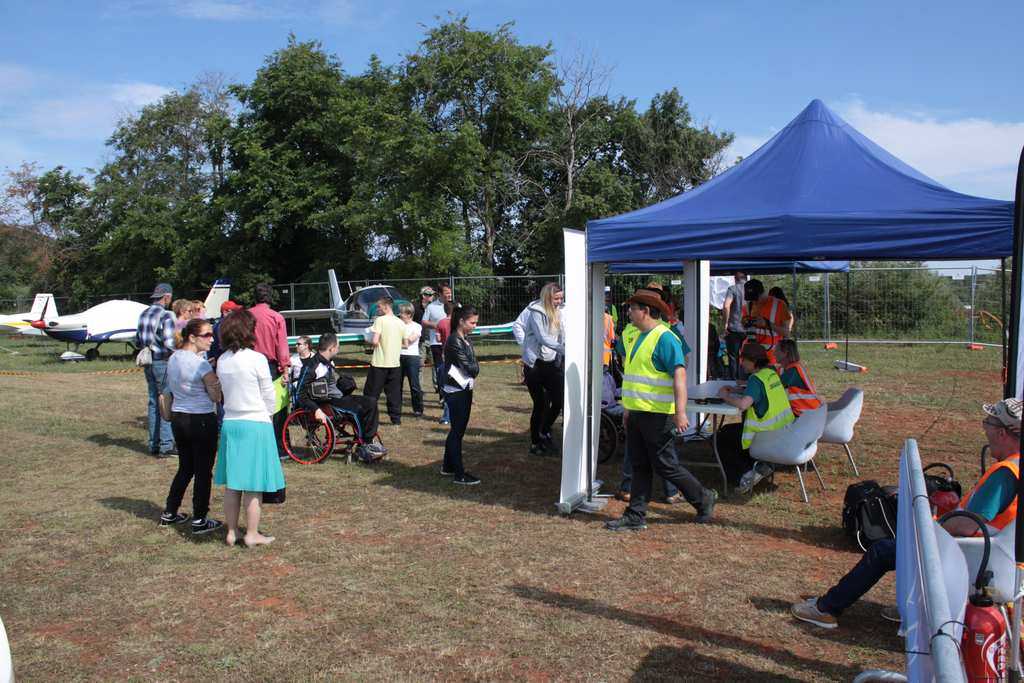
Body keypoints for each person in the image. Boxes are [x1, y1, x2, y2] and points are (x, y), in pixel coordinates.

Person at [791, 398, 1023, 629]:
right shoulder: (1016, 465)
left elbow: (968, 525)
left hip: (967, 553)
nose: (985, 430)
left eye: (988, 423)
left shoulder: (1005, 474)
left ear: (1002, 433)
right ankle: (913, 608)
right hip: (987, 554)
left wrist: (927, 528)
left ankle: (826, 609)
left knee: (882, 551)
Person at [605, 288, 717, 531]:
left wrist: (681, 412)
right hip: (638, 413)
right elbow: (635, 377)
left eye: (632, 309)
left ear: (645, 311)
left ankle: (703, 498)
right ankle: (635, 515)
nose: (628, 313)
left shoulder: (665, 338)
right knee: (640, 465)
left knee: (665, 465)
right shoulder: (638, 336)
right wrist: (628, 409)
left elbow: (679, 376)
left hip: (658, 415)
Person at [214, 309, 286, 547]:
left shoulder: (222, 360)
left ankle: (232, 531)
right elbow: (268, 394)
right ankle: (252, 533)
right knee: (254, 485)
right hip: (255, 423)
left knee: (233, 484)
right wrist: (268, 415)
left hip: (231, 422)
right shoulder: (257, 359)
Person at [159, 318, 224, 534]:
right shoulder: (201, 365)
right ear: (193, 337)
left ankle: (170, 512)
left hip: (179, 418)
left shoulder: (174, 358)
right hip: (201, 419)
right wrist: (213, 376)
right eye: (207, 335)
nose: (211, 339)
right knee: (203, 471)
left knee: (186, 467)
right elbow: (215, 396)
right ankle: (200, 518)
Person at [716, 343, 796, 492]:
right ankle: (758, 466)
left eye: (744, 360)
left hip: (765, 434)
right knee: (729, 432)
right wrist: (739, 390)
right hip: (782, 430)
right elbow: (763, 392)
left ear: (753, 361)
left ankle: (743, 476)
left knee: (721, 437)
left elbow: (743, 405)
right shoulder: (771, 373)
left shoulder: (755, 379)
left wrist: (725, 396)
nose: (741, 363)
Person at [300, 333, 386, 458]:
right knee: (357, 410)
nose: (338, 349)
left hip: (337, 398)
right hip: (326, 404)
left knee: (370, 402)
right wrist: (316, 409)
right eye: (338, 347)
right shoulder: (312, 366)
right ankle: (365, 444)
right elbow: (300, 393)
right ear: (331, 348)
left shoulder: (328, 361)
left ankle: (368, 440)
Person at [520, 283, 565, 456]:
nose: (559, 301)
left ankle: (544, 431)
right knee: (540, 404)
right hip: (534, 365)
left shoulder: (558, 311)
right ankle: (535, 442)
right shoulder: (536, 312)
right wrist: (564, 349)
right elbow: (542, 337)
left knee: (559, 401)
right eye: (556, 298)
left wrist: (565, 348)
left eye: (561, 298)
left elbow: (561, 334)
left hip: (551, 362)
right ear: (547, 297)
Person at [441, 304, 482, 485]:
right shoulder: (455, 341)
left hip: (463, 387)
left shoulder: (464, 339)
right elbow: (471, 368)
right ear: (461, 321)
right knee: (457, 432)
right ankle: (459, 474)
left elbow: (472, 365)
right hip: (456, 390)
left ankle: (447, 466)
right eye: (472, 323)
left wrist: (474, 367)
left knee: (456, 431)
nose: (475, 326)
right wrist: (474, 368)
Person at [137, 282, 177, 457]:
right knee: (166, 401)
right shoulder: (166, 315)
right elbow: (170, 343)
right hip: (162, 361)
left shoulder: (143, 314)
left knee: (153, 401)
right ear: (166, 297)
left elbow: (137, 339)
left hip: (148, 362)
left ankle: (153, 444)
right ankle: (166, 445)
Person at [249, 284, 290, 457]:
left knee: (252, 406)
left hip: (249, 365)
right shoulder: (276, 317)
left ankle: (255, 445)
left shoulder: (247, 316)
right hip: (270, 366)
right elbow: (282, 346)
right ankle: (280, 447)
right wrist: (285, 368)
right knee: (278, 408)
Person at [364, 297, 406, 425]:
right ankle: (396, 419)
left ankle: (368, 417)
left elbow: (375, 341)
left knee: (371, 393)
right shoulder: (400, 322)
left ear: (386, 306)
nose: (378, 309)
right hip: (395, 363)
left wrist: (367, 340)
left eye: (379, 306)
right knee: (394, 393)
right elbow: (405, 344)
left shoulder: (380, 320)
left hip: (379, 363)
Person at [423, 283, 453, 424]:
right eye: (446, 293)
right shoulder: (431, 307)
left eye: (450, 292)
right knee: (441, 371)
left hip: (452, 344)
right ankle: (442, 397)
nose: (449, 295)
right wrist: (437, 326)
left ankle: (455, 397)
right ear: (440, 294)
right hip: (437, 343)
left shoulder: (455, 306)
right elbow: (424, 322)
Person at [742, 279, 791, 366]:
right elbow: (744, 326)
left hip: (771, 358)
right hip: (751, 357)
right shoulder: (748, 306)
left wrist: (768, 324)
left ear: (763, 293)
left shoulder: (779, 305)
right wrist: (745, 323)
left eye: (755, 298)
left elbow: (786, 333)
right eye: (750, 299)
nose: (754, 301)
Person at [775, 339, 821, 417]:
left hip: (807, 414)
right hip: (802, 413)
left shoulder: (793, 371)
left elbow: (774, 388)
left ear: (785, 353)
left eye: (777, 350)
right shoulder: (783, 369)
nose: (774, 353)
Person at [398, 303, 425, 417]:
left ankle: (418, 409)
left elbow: (408, 342)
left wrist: (394, 343)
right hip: (398, 356)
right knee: (397, 385)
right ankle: (397, 409)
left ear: (409, 314)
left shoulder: (417, 326)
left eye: (402, 313)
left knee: (414, 385)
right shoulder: (397, 325)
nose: (400, 315)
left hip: (412, 357)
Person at [720, 272, 748, 379]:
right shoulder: (750, 290)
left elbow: (726, 306)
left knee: (733, 356)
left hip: (734, 328)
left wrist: (725, 323)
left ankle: (734, 380)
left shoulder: (732, 289)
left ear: (735, 279)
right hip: (748, 329)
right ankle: (745, 378)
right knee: (748, 356)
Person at [208, 300, 242, 368]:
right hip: (224, 360)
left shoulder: (218, 325)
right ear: (225, 312)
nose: (237, 313)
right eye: (234, 311)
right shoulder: (223, 326)